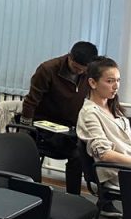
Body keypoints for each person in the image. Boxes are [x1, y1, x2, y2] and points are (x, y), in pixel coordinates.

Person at [75, 57, 131, 216]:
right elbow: (104, 154)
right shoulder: (90, 114)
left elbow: (128, 146)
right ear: (93, 83)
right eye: (110, 81)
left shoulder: (113, 108)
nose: (116, 86)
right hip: (120, 173)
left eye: (118, 80)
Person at [20, 41, 99, 195]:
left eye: (83, 69)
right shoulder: (48, 69)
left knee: (88, 151)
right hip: (45, 128)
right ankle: (33, 194)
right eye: (76, 67)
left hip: (70, 129)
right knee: (77, 153)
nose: (79, 72)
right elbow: (30, 102)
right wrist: (25, 132)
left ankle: (75, 197)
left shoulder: (89, 73)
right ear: (70, 56)